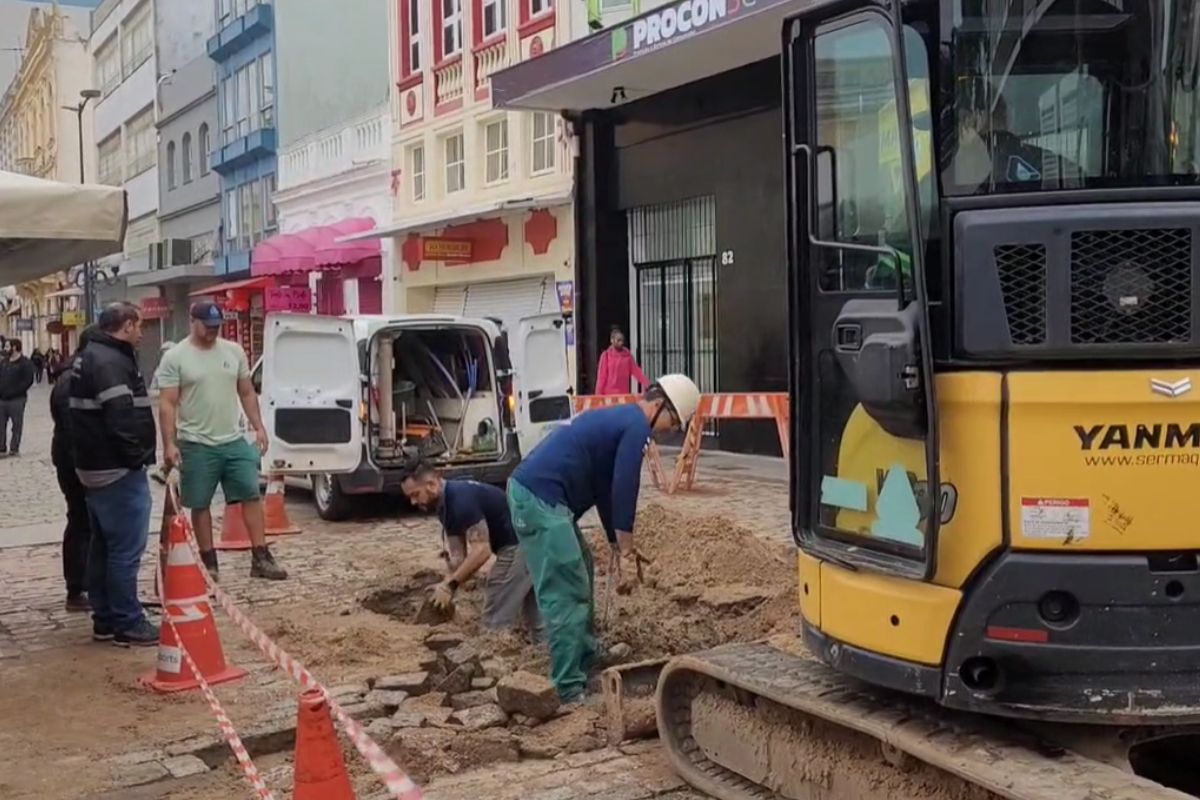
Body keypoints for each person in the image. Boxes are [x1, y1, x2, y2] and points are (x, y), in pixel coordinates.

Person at [507, 374, 700, 702]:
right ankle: (569, 688)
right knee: (566, 589)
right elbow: (626, 485)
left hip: (541, 496)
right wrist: (626, 551)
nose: (669, 430)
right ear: (658, 405)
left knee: (581, 566)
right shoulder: (636, 426)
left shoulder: (619, 420)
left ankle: (584, 655)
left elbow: (605, 488)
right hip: (539, 499)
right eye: (673, 421)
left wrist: (614, 539)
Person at [158, 302, 287, 581]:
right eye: (207, 326)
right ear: (193, 322)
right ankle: (209, 562)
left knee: (251, 494)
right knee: (200, 503)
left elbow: (246, 391)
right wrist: (169, 443)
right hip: (195, 441)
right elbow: (167, 403)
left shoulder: (233, 351)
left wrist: (258, 427)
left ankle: (261, 556)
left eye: (217, 327)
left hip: (233, 439)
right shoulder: (176, 357)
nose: (212, 332)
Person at [69, 302, 159, 646]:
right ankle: (127, 622)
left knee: (103, 547)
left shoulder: (90, 355)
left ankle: (105, 618)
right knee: (124, 550)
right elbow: (120, 417)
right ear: (125, 325)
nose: (141, 333)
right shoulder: (110, 361)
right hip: (116, 470)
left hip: (93, 467)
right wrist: (136, 459)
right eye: (139, 326)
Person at [401, 463, 541, 637]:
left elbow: (482, 550)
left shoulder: (460, 501)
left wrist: (451, 586)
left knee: (496, 610)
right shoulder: (445, 507)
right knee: (535, 614)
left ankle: (493, 656)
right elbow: (459, 556)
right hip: (529, 540)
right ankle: (544, 651)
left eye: (415, 494)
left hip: (521, 543)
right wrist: (445, 583)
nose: (413, 502)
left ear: (431, 484)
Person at [50, 328, 96, 612]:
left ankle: (83, 581)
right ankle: (77, 585)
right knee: (81, 520)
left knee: (83, 521)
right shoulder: (72, 380)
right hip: (76, 462)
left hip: (76, 459)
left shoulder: (73, 375)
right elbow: (71, 429)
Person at [0, 339, 35, 456]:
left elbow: (28, 381)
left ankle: (14, 448)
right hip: (2, 399)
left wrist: (15, 391)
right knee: (0, 425)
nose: (5, 349)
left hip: (17, 399)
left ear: (14, 347)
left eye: (6, 347)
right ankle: (1, 448)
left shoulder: (25, 363)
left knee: (16, 425)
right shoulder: (4, 362)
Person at [594, 326, 649, 396]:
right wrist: (598, 395)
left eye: (622, 340)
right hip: (608, 395)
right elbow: (601, 377)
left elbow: (637, 372)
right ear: (612, 340)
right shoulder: (606, 356)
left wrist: (647, 384)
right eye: (618, 340)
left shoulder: (628, 356)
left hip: (623, 394)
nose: (621, 343)